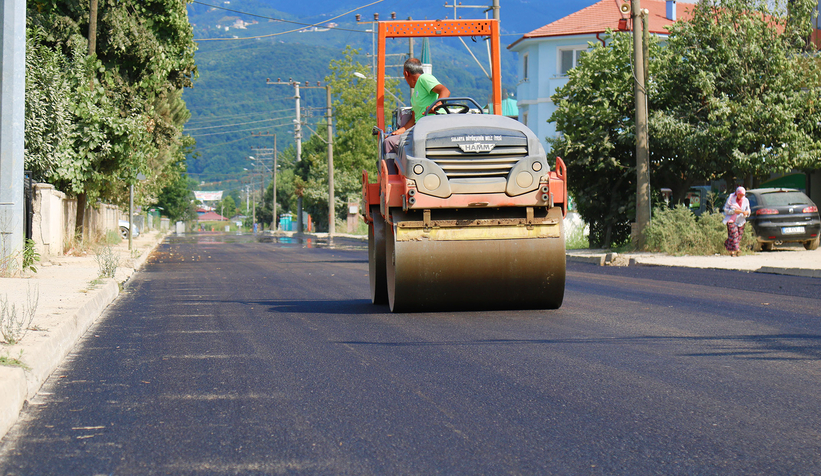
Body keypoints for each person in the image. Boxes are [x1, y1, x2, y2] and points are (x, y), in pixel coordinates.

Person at [383, 58, 451, 156]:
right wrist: (400, 130)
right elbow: (414, 119)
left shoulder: (424, 78)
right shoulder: (414, 97)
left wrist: (436, 106)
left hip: (431, 125)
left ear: (406, 74)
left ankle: (391, 171)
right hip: (419, 128)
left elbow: (445, 91)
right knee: (391, 139)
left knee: (389, 143)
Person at [723, 186, 751, 257]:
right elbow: (725, 209)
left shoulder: (746, 200)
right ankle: (737, 249)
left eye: (742, 195)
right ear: (737, 193)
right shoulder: (731, 199)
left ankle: (732, 251)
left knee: (737, 237)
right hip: (731, 220)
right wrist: (734, 211)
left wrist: (746, 212)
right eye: (740, 195)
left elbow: (748, 210)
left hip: (741, 220)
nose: (741, 196)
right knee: (734, 235)